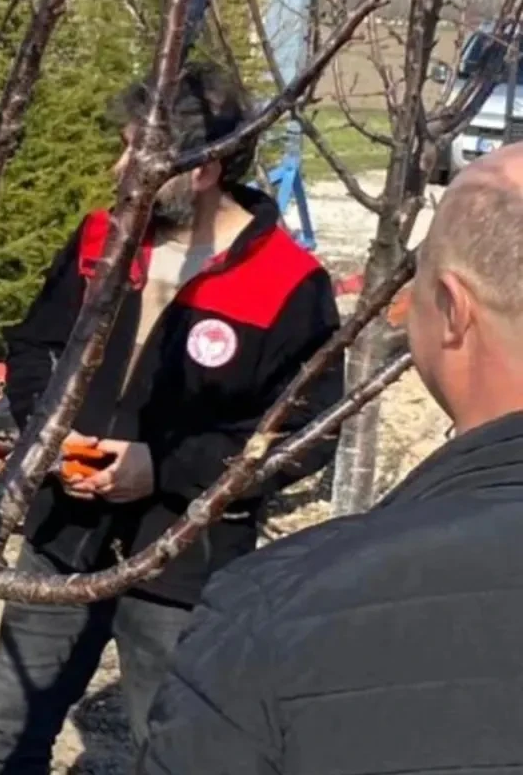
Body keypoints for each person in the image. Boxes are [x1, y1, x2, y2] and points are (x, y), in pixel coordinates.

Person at [0, 62, 342, 774]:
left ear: (201, 168)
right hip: (61, 537)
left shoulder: (289, 284)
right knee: (7, 738)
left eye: (137, 152)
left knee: (173, 752)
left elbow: (306, 434)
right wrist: (46, 433)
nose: (118, 167)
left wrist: (166, 467)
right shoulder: (99, 242)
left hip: (185, 563)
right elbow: (34, 350)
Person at [141, 142, 523, 775]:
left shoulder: (275, 611)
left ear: (454, 309)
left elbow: (306, 424)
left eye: (417, 279)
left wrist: (166, 468)